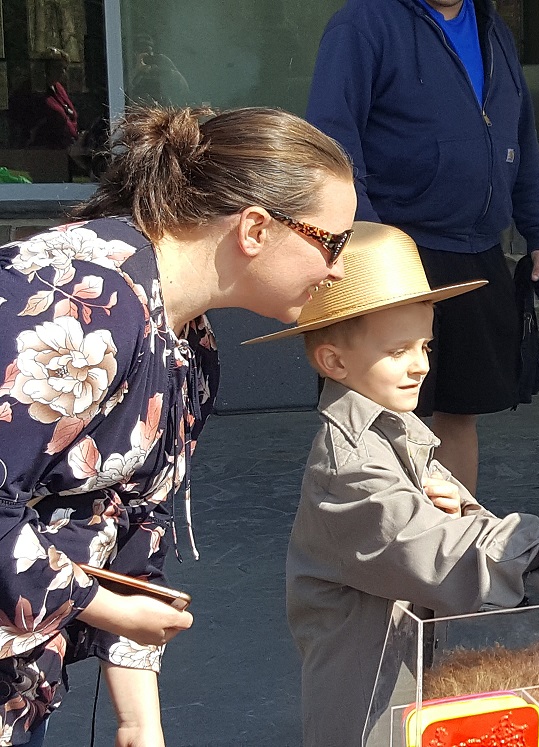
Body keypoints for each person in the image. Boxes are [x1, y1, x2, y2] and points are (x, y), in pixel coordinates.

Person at [0, 106, 355, 745]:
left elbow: (135, 519)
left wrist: (141, 726)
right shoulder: (85, 302)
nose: (336, 270)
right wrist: (97, 604)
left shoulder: (189, 342)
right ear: (254, 227)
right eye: (332, 242)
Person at [245, 223, 539, 747]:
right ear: (334, 362)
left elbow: (457, 522)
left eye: (425, 346)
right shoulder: (349, 465)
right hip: (364, 685)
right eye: (398, 351)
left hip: (406, 661)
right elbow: (428, 552)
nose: (420, 365)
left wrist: (468, 512)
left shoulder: (399, 430)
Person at [306, 0, 539, 496]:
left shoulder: (492, 29)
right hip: (393, 251)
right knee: (382, 409)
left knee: (461, 408)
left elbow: (519, 138)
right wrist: (368, 240)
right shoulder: (364, 23)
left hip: (478, 249)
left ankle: (456, 536)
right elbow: (331, 140)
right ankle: (380, 528)